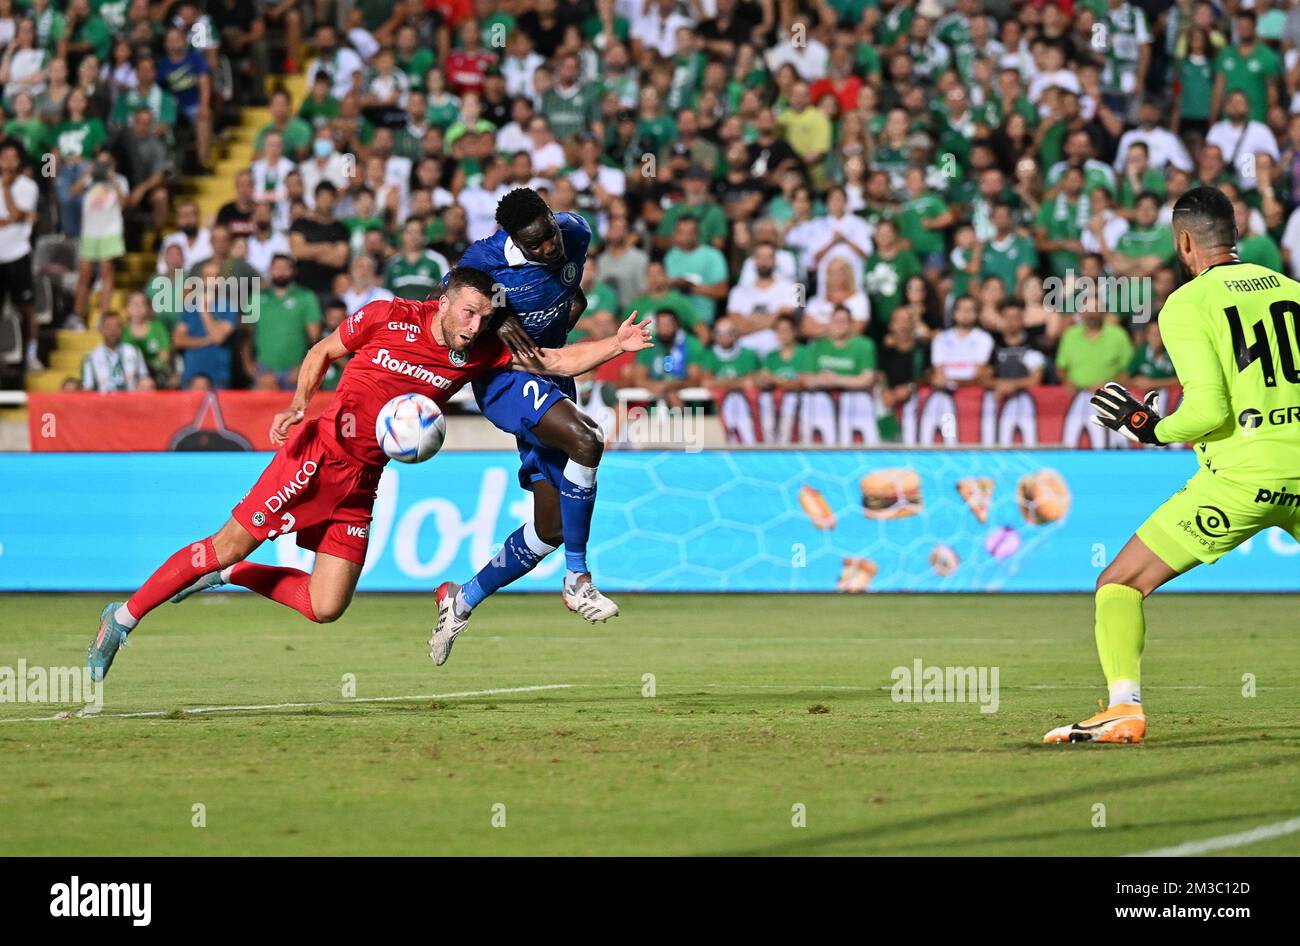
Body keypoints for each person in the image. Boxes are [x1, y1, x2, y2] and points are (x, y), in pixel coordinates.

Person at [88, 267, 652, 682]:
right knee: (227, 543)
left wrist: (616, 346)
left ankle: (231, 579)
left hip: (363, 480)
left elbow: (552, 361)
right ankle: (123, 617)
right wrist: (296, 404)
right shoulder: (386, 316)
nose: (475, 326)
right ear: (444, 303)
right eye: (468, 313)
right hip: (314, 457)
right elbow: (321, 351)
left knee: (325, 606)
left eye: (484, 317)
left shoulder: (479, 354)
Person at [1044, 187, 1300, 745]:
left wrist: (1150, 428)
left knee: (1119, 583)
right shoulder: (1292, 291)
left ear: (1184, 242)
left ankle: (1123, 709)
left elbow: (1208, 410)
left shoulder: (1186, 304)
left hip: (1243, 476)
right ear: (1235, 235)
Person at [432, 187, 624, 649]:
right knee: (587, 440)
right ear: (513, 237)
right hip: (505, 379)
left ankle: (460, 600)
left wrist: (568, 315)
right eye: (535, 243)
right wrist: (496, 320)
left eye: (550, 234)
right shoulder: (484, 260)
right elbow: (451, 304)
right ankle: (578, 579)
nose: (548, 247)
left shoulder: (576, 232)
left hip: (551, 375)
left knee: (549, 529)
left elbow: (570, 290)